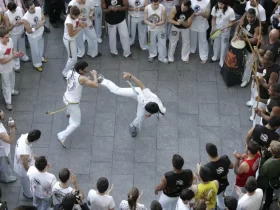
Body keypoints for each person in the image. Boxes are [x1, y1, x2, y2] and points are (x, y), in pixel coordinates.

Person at [97, 72, 166, 137]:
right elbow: (141, 84)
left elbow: (155, 110)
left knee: (139, 117)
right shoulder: (148, 95)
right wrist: (130, 76)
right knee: (117, 90)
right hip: (138, 93)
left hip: (142, 103)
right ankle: (102, 80)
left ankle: (133, 126)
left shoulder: (161, 111)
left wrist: (150, 114)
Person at [57, 60, 98, 148]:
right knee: (76, 123)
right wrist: (94, 75)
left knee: (70, 110)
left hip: (66, 97)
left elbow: (77, 80)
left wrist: (85, 79)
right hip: (73, 102)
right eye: (85, 70)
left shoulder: (70, 71)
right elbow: (95, 85)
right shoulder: (82, 78)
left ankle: (68, 113)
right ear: (80, 70)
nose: (86, 71)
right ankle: (62, 136)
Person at [232, 8, 261, 88]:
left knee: (249, 64)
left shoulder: (258, 26)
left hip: (253, 48)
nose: (249, 18)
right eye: (248, 17)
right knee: (242, 60)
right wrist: (235, 34)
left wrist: (243, 39)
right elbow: (238, 25)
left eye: (251, 17)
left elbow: (255, 40)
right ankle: (239, 74)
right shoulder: (245, 17)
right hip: (244, 43)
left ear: (255, 16)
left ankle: (245, 79)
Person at [250, 50, 279, 125]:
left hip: (265, 95)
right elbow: (263, 70)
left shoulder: (273, 73)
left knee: (258, 116)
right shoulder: (266, 65)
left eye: (265, 59)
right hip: (261, 92)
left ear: (269, 61)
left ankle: (256, 126)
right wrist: (255, 67)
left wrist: (260, 82)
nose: (263, 60)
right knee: (255, 109)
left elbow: (269, 87)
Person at [204, 143, 233, 210]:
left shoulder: (207, 167)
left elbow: (204, 180)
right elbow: (231, 166)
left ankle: (222, 207)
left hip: (214, 188)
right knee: (221, 195)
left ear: (208, 154)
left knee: (219, 199)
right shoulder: (225, 158)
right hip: (224, 183)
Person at [14, 129, 41, 199]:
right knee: (26, 182)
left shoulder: (25, 136)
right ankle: (28, 194)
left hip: (27, 160)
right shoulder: (24, 152)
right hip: (23, 169)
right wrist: (31, 172)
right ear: (35, 140)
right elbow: (25, 166)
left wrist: (33, 156)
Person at [4, 2, 30, 72]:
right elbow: (8, 28)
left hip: (21, 31)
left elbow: (26, 20)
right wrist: (14, 25)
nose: (14, 11)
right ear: (9, 9)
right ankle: (16, 64)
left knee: (22, 45)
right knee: (14, 48)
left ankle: (23, 57)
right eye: (12, 11)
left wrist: (21, 23)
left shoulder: (20, 9)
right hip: (13, 34)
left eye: (14, 10)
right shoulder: (6, 15)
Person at [62, 5, 86, 79]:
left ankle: (71, 69)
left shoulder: (71, 15)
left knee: (73, 57)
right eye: (77, 16)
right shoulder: (69, 22)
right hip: (69, 40)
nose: (77, 17)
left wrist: (80, 18)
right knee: (72, 58)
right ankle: (65, 72)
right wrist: (80, 27)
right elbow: (71, 34)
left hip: (72, 40)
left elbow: (76, 19)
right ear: (73, 15)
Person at [0, 28, 21, 111]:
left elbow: (12, 50)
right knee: (6, 84)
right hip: (4, 69)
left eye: (8, 36)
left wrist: (16, 53)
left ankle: (12, 91)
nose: (8, 39)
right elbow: (2, 61)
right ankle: (8, 102)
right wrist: (13, 57)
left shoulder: (10, 40)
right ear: (0, 38)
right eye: (6, 37)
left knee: (12, 79)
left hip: (11, 65)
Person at [22, 0, 46, 72]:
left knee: (41, 46)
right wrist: (38, 26)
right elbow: (29, 31)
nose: (34, 9)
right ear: (27, 9)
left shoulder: (38, 9)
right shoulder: (25, 18)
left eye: (34, 7)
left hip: (40, 33)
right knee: (34, 50)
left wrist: (43, 21)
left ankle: (40, 57)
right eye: (31, 8)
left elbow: (43, 17)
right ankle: (37, 64)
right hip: (33, 37)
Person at [210, 0, 235, 67]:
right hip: (217, 29)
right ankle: (215, 57)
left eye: (222, 4)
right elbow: (213, 18)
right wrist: (212, 28)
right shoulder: (215, 8)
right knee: (216, 43)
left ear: (225, 4)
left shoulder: (230, 11)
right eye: (219, 3)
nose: (220, 5)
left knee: (224, 46)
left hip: (225, 31)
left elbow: (231, 23)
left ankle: (222, 61)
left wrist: (224, 28)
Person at [258, 140, 280, 210]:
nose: (269, 147)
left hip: (266, 181)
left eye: (270, 147)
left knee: (262, 192)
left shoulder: (268, 164)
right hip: (274, 179)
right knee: (269, 193)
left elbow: (261, 172)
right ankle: (267, 205)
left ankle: (259, 204)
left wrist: (263, 158)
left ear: (273, 152)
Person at [0, 110, 16, 183]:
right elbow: (11, 140)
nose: (4, 116)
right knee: (5, 165)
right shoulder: (1, 132)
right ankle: (6, 178)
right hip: (3, 152)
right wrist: (12, 128)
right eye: (2, 116)